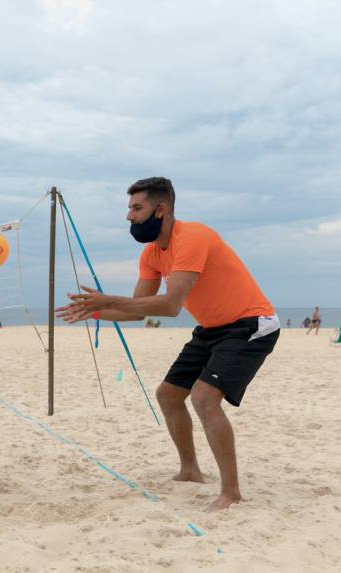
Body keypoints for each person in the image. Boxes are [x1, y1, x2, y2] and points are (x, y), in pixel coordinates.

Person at [55, 177, 279, 511]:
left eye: (136, 208)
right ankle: (190, 470)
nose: (129, 216)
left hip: (250, 324)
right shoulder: (151, 254)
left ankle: (231, 492)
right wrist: (96, 311)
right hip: (212, 327)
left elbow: (171, 306)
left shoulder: (192, 238)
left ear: (161, 209)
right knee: (168, 394)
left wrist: (108, 299)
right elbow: (137, 309)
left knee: (204, 398)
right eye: (129, 208)